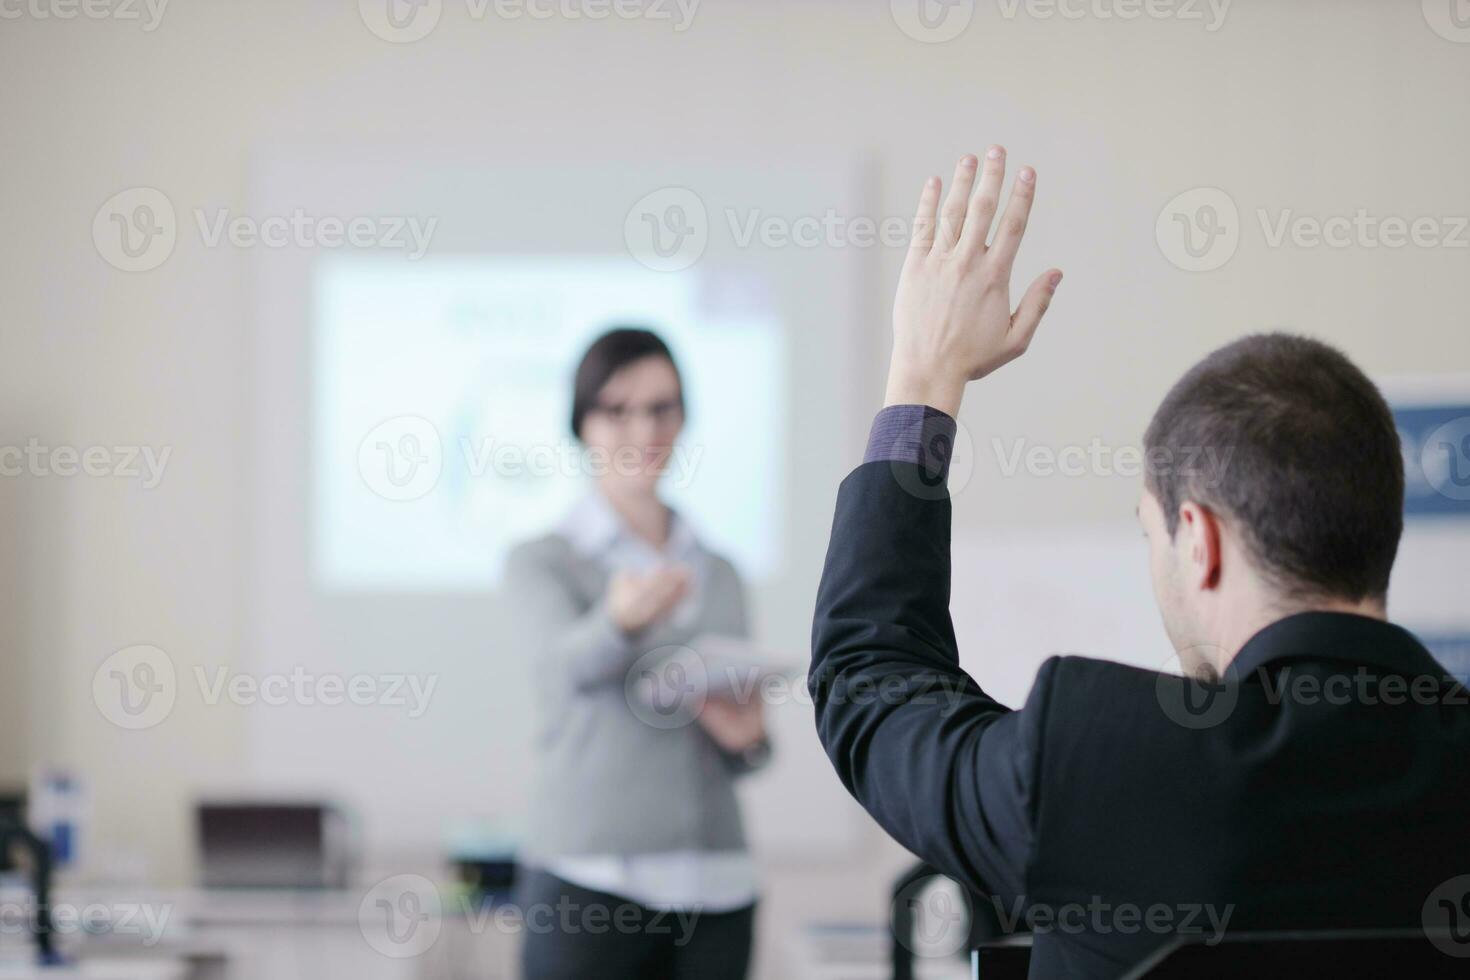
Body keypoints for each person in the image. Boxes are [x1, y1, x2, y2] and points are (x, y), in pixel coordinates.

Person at [809, 147, 1470, 977]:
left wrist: (922, 375)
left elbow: (871, 684)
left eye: (1148, 531)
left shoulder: (1105, 765)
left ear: (1201, 541)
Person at [509, 327, 769, 980]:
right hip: (590, 882)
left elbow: (746, 744)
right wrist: (618, 622)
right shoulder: (545, 560)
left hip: (717, 886)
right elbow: (557, 671)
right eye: (616, 409)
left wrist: (749, 742)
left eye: (662, 407)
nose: (643, 428)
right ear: (582, 424)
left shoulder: (720, 570)